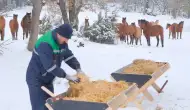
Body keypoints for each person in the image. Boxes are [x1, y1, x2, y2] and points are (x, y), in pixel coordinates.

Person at [26, 23, 85, 110]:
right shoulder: (45, 43)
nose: (67, 41)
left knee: (50, 105)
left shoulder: (62, 41)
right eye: (66, 38)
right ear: (59, 34)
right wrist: (67, 76)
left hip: (48, 78)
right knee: (39, 107)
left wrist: (78, 68)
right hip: (36, 79)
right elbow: (50, 67)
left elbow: (68, 56)